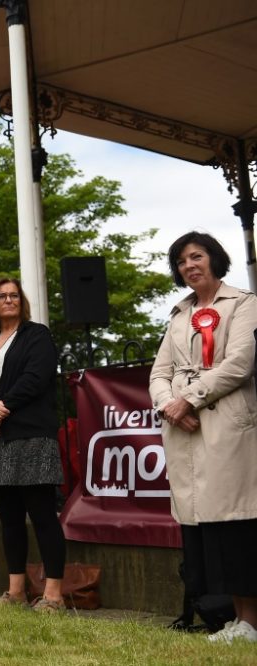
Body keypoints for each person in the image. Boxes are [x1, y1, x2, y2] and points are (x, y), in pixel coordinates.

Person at [149, 231, 257, 644]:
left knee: (237, 522)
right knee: (202, 526)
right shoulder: (178, 315)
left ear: (214, 259)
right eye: (181, 261)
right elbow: (158, 373)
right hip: (184, 430)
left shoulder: (244, 304)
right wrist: (168, 406)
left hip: (228, 424)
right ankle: (232, 617)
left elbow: (240, 363)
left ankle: (251, 620)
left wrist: (189, 399)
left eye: (197, 256)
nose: (190, 266)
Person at [0, 278, 65, 612]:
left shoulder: (37, 335)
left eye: (14, 296)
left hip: (31, 434)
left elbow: (35, 380)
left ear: (21, 302)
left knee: (41, 515)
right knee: (8, 517)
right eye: (2, 296)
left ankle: (53, 595)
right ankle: (16, 591)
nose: (9, 300)